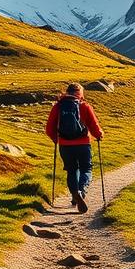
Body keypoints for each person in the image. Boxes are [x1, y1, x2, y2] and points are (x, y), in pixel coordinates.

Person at [46, 83, 104, 213]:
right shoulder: (84, 106)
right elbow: (94, 125)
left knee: (71, 170)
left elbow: (49, 128)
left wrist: (56, 139)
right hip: (83, 144)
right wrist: (99, 135)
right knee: (86, 169)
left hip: (65, 145)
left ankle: (75, 194)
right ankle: (81, 191)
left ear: (67, 92)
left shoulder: (58, 106)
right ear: (80, 93)